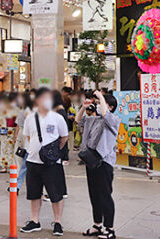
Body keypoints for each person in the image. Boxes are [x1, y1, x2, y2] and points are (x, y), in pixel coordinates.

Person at [21, 88, 69, 236]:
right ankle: (35, 221)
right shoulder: (30, 117)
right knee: (34, 193)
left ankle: (58, 222)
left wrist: (52, 154)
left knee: (56, 194)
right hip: (33, 161)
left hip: (52, 163)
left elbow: (64, 137)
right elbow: (29, 137)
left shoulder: (57, 118)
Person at [77, 91, 120, 239]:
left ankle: (110, 229)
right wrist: (84, 107)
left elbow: (106, 114)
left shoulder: (113, 120)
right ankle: (97, 225)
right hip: (91, 161)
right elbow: (78, 120)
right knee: (94, 194)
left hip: (104, 162)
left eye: (102, 103)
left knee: (105, 195)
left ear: (111, 107)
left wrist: (100, 96)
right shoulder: (93, 120)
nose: (98, 104)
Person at [14, 92, 33, 192]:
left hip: (29, 140)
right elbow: (18, 125)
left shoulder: (29, 111)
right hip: (25, 138)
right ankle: (17, 185)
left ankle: (18, 185)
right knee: (22, 161)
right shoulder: (23, 110)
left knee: (25, 163)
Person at [0, 94, 19, 173]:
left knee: (12, 148)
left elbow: (18, 122)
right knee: (4, 148)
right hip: (5, 129)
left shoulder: (17, 109)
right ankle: (4, 165)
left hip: (13, 129)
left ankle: (12, 165)